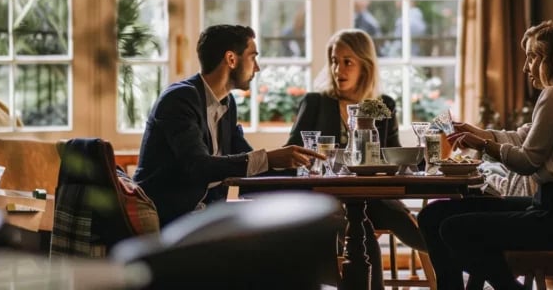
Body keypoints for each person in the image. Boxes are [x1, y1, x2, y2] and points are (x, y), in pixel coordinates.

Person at [417, 19, 553, 290]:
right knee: (433, 215)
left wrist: (483, 145)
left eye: (532, 57)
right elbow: (524, 138)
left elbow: (526, 161)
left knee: (452, 228)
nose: (525, 66)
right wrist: (478, 132)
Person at [134, 24, 323, 226]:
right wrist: (268, 158)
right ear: (231, 59)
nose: (257, 67)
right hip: (169, 215)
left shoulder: (226, 103)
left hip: (206, 214)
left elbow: (249, 163)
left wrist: (304, 171)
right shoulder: (180, 99)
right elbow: (198, 166)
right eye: (252, 57)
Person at [285, 29, 426, 289]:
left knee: (410, 227)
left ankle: (456, 251)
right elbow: (291, 151)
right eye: (334, 60)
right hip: (327, 197)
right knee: (358, 224)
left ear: (365, 65)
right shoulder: (316, 102)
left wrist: (427, 154)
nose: (339, 68)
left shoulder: (383, 104)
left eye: (347, 61)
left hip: (374, 196)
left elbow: (393, 155)